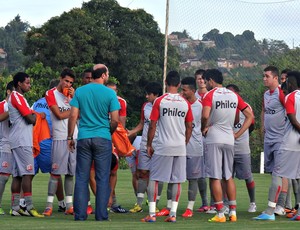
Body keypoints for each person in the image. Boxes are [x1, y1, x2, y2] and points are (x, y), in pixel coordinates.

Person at [68, 63, 120, 221]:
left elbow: (73, 116)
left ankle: (80, 215)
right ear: (103, 75)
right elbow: (115, 120)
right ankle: (101, 215)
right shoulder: (110, 93)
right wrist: (107, 132)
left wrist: (70, 137)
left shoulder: (80, 91)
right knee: (103, 178)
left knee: (82, 177)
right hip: (102, 137)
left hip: (83, 136)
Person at [201, 69, 253, 223]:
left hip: (214, 137)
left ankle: (220, 214)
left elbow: (205, 115)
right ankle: (233, 212)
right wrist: (238, 134)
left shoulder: (209, 95)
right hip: (230, 139)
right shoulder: (234, 95)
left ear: (211, 81)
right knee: (228, 176)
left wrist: (204, 127)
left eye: (205, 81)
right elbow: (249, 116)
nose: (204, 84)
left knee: (215, 176)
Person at [141, 70, 193, 223]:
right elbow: (189, 126)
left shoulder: (160, 101)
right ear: (179, 84)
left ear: (165, 83)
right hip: (179, 147)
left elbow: (153, 125)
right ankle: (173, 214)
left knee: (155, 179)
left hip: (163, 146)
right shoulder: (185, 103)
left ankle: (151, 214)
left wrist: (149, 144)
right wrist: (184, 143)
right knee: (177, 180)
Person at [253, 71, 300, 221]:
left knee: (277, 173)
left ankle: (270, 210)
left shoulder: (290, 97)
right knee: (298, 176)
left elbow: (292, 119)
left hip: (289, 142)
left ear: (291, 84)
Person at [8, 72, 44, 217]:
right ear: (19, 84)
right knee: (28, 173)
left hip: (17, 140)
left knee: (17, 175)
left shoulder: (18, 97)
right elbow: (30, 119)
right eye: (27, 83)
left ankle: (15, 207)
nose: (29, 85)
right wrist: (36, 116)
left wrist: (32, 114)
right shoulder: (17, 97)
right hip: (22, 141)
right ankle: (29, 206)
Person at [43, 68, 77, 216]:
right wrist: (75, 110)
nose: (68, 84)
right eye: (66, 81)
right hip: (59, 138)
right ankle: (49, 205)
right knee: (55, 174)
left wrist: (74, 100)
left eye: (70, 82)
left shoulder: (73, 96)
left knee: (70, 174)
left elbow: (80, 115)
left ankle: (69, 206)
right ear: (60, 78)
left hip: (74, 137)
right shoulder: (50, 93)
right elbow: (58, 115)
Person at [128, 82, 163, 213]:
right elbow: (142, 123)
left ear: (156, 95)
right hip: (144, 144)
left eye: (149, 94)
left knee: (159, 175)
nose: (146, 96)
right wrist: (131, 132)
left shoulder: (163, 106)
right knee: (142, 173)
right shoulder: (145, 106)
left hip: (159, 144)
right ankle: (139, 204)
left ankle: (155, 203)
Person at [32, 79, 66, 214]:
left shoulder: (36, 103)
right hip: (50, 142)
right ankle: (61, 203)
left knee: (28, 173)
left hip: (34, 141)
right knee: (55, 173)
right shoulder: (57, 102)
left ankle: (19, 202)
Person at [260, 66, 287, 216]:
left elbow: (290, 111)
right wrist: (263, 126)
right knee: (274, 173)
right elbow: (264, 110)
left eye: (267, 76)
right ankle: (278, 205)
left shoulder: (281, 93)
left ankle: (279, 206)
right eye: (263, 76)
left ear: (275, 78)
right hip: (269, 138)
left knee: (280, 172)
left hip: (280, 139)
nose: (264, 79)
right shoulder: (265, 94)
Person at [226, 84, 257, 213]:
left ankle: (253, 203)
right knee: (227, 176)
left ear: (238, 95)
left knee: (248, 176)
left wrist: (240, 136)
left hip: (242, 148)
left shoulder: (246, 107)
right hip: (228, 147)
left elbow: (252, 125)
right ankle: (228, 205)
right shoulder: (224, 107)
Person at [180, 77, 205, 218]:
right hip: (179, 146)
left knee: (193, 179)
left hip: (195, 147)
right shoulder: (180, 104)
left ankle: (190, 207)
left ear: (193, 91)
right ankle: (171, 205)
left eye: (185, 90)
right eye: (181, 89)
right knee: (174, 177)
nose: (182, 92)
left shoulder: (200, 106)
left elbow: (208, 121)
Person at [0, 81, 14, 215]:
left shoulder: (21, 104)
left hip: (18, 144)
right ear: (9, 92)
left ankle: (15, 207)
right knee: (3, 177)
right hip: (5, 144)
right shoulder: (2, 105)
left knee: (19, 176)